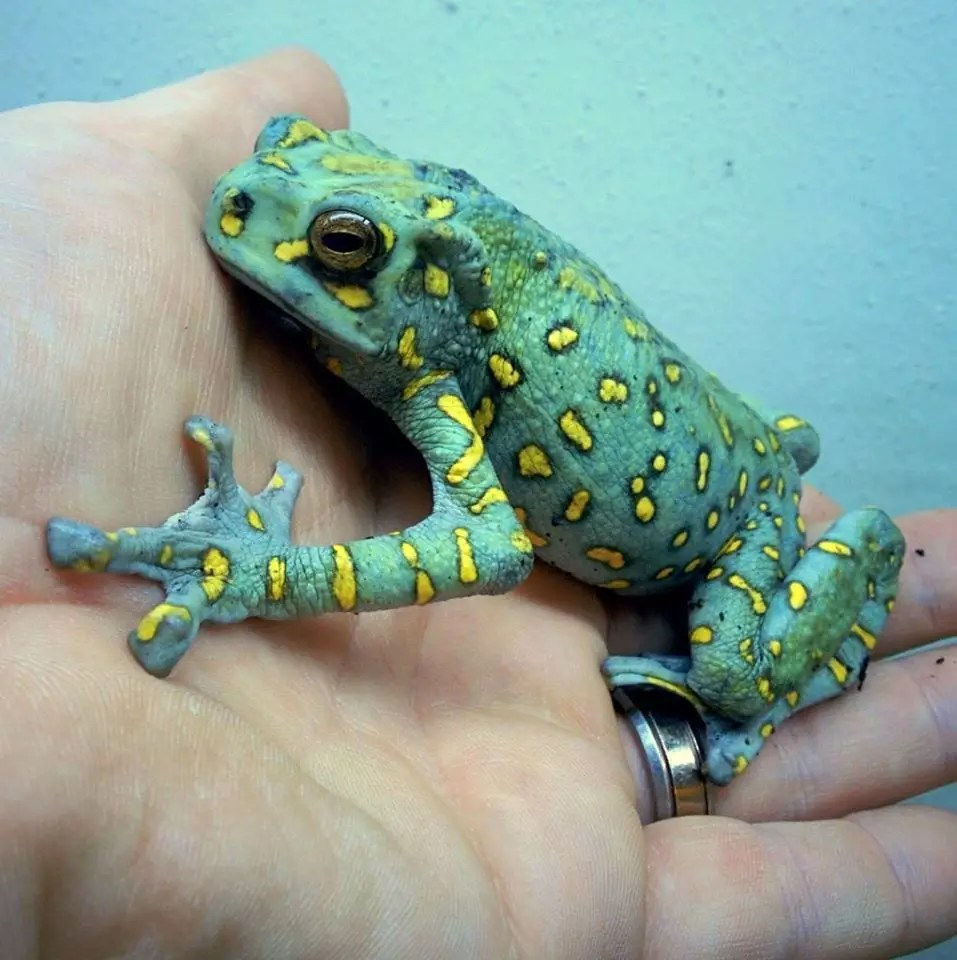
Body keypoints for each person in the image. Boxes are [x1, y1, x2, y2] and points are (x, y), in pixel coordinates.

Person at [1, 48, 954, 959]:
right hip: (699, 421)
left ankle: (847, 563)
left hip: (734, 523)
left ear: (417, 293)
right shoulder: (423, 342)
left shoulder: (434, 377)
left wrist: (268, 576)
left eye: (340, 245)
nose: (242, 203)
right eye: (276, 153)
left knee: (733, 678)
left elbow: (488, 545)